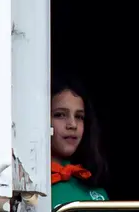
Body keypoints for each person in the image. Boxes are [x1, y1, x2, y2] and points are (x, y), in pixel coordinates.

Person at [50, 76, 109, 209]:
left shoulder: (98, 193)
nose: (72, 124)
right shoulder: (25, 191)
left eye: (79, 117)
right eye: (60, 115)